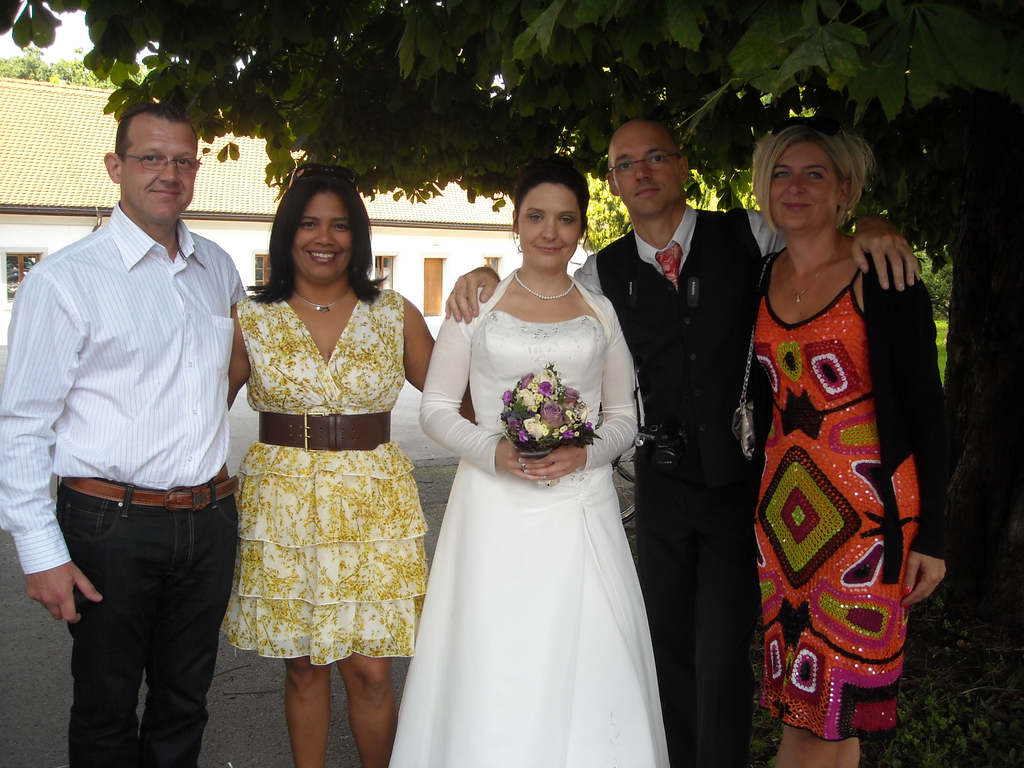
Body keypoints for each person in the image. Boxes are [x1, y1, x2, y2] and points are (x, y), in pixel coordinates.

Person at [445, 119, 920, 768]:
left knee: (722, 653)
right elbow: (541, 292)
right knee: (665, 646)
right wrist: (480, 272)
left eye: (655, 158)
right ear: (613, 181)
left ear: (683, 166)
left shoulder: (750, 234)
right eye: (625, 164)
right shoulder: (600, 275)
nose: (641, 173)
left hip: (741, 484)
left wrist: (874, 224)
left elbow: (821, 230)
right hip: (661, 484)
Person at [390, 156, 669, 767]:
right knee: (496, 647)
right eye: (536, 216)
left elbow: (625, 416)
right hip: (493, 506)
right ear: (515, 222)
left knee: (593, 645)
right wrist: (493, 451)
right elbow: (435, 409)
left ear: (581, 227)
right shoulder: (478, 304)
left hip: (580, 505)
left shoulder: (600, 311)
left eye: (566, 219)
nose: (550, 231)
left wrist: (584, 454)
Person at [0, 102, 245, 766]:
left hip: (207, 520)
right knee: (106, 707)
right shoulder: (64, 280)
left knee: (184, 701)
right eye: (150, 158)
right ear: (116, 166)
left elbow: (225, 372)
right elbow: (23, 425)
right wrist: (39, 552)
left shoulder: (218, 267)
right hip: (110, 524)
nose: (169, 173)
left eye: (183, 160)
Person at [221, 164, 434, 768]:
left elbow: (459, 402)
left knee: (371, 670)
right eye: (309, 223)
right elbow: (200, 416)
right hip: (282, 506)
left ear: (357, 238)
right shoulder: (250, 319)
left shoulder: (395, 313)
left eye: (340, 225)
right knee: (303, 666)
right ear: (287, 233)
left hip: (375, 505)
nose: (324, 237)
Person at [748, 118, 946, 767]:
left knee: (826, 710)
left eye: (815, 174)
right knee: (815, 706)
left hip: (869, 522)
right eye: (781, 173)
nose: (795, 187)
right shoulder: (761, 274)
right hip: (783, 523)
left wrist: (935, 537)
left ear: (845, 190)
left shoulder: (883, 276)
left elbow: (927, 409)